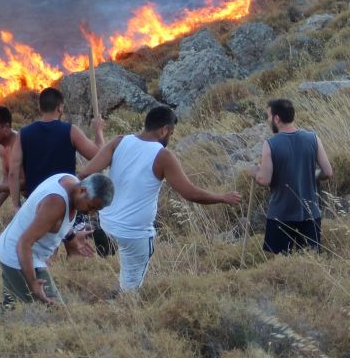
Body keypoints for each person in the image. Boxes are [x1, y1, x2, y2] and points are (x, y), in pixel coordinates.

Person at [79, 105, 243, 292]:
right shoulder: (162, 155)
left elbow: (86, 172)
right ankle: (125, 307)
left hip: (107, 223)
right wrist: (222, 197)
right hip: (135, 233)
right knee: (131, 290)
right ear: (164, 129)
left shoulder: (119, 142)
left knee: (117, 272)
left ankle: (109, 283)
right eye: (171, 134)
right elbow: (190, 193)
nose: (169, 138)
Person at [0, 172, 115, 314]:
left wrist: (72, 237)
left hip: (11, 250)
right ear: (82, 190)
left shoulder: (70, 182)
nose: (90, 213)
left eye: (96, 210)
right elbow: (24, 243)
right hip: (18, 257)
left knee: (10, 310)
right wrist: (33, 283)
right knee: (54, 314)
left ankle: (4, 332)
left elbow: (55, 223)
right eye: (90, 206)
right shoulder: (55, 203)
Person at [255, 98, 334, 254]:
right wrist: (311, 175)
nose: (268, 120)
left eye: (269, 116)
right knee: (310, 262)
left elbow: (264, 179)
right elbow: (328, 172)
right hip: (310, 214)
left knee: (280, 265)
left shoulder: (270, 144)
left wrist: (253, 171)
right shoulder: (313, 138)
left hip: (281, 216)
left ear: (277, 118)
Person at [18, 87, 106, 200]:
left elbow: (14, 172)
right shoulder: (70, 131)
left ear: (40, 108)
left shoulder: (23, 133)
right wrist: (98, 130)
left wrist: (16, 204)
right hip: (64, 198)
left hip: (34, 199)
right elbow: (99, 156)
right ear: (60, 107)